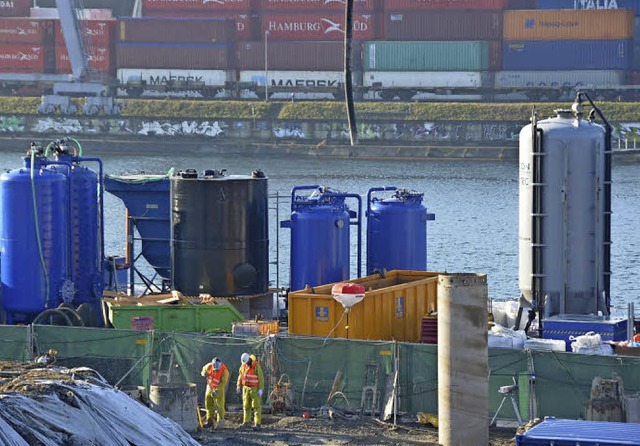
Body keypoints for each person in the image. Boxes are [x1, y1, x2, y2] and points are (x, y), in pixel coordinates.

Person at [236, 352, 264, 430]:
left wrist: (261, 389)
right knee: (246, 406)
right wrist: (239, 385)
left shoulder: (256, 366)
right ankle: (246, 422)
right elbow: (240, 375)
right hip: (245, 388)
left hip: (254, 388)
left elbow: (261, 378)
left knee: (256, 406)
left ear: (249, 359)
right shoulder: (243, 366)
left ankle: (257, 424)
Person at [200, 357, 229, 428]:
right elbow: (203, 370)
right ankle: (210, 420)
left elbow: (223, 383)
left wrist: (216, 390)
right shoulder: (209, 366)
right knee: (208, 404)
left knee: (219, 405)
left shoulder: (224, 371)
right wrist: (204, 373)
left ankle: (220, 421)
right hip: (210, 387)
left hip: (219, 389)